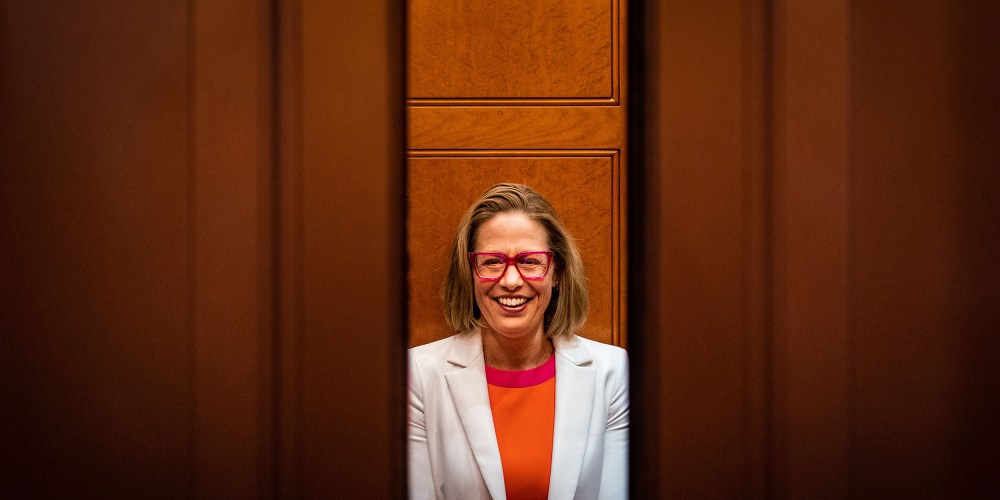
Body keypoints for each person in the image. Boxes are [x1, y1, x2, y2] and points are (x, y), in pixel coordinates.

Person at [408, 183, 629, 499]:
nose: (511, 281)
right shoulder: (418, 374)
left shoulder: (613, 372)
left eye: (529, 261)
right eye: (492, 262)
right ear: (469, 272)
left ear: (556, 272)